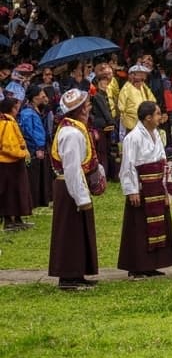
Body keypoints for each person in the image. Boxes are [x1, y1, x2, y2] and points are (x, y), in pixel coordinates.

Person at [48, 89, 104, 290]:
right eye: (87, 105)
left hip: (73, 186)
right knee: (70, 232)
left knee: (78, 232)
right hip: (70, 188)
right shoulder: (71, 134)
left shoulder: (75, 129)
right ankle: (68, 277)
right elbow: (72, 168)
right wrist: (81, 198)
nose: (89, 107)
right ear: (80, 110)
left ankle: (77, 273)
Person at [117, 101, 172, 278]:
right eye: (157, 114)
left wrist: (167, 187)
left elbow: (162, 160)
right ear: (148, 117)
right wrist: (132, 190)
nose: (160, 117)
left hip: (157, 186)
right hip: (143, 186)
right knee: (140, 226)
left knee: (158, 224)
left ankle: (153, 263)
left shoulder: (157, 134)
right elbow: (128, 165)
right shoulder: (132, 138)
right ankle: (137, 266)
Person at [0, 97, 33, 231]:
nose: (17, 110)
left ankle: (17, 219)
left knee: (16, 192)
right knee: (11, 192)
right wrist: (22, 153)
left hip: (10, 163)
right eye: (16, 107)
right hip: (9, 163)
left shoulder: (9, 121)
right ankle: (9, 221)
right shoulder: (6, 123)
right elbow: (7, 146)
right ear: (11, 108)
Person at [19, 85, 52, 210]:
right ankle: (32, 200)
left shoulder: (36, 110)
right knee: (33, 175)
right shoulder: (27, 112)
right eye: (41, 94)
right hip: (34, 147)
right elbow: (29, 131)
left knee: (40, 174)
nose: (43, 96)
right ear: (34, 97)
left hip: (40, 145)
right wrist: (37, 147)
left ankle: (40, 199)